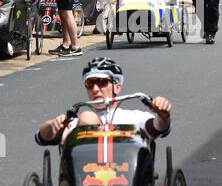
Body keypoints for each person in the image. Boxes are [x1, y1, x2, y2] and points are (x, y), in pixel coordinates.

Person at [35, 57, 172, 146]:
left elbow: (159, 127)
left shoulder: (135, 117)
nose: (95, 89)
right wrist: (52, 125)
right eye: (90, 84)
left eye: (101, 82)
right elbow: (41, 137)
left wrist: (163, 113)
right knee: (87, 118)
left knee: (87, 117)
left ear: (117, 87)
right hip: (86, 180)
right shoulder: (75, 121)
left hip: (127, 181)